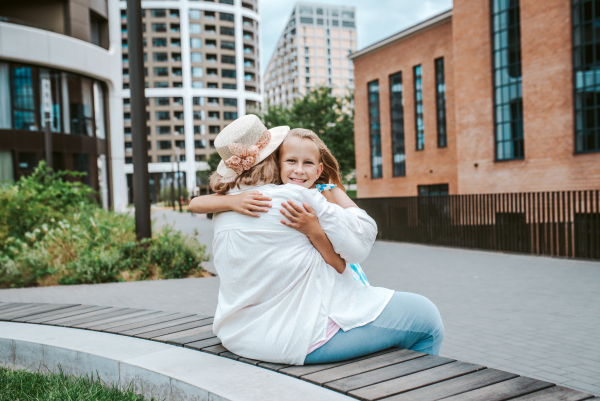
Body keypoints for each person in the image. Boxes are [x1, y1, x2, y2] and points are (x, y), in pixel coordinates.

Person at [188, 115, 443, 365]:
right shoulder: (295, 196)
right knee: (427, 318)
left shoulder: (223, 209)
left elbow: (196, 204)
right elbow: (362, 241)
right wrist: (332, 188)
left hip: (238, 335)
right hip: (296, 340)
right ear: (273, 157)